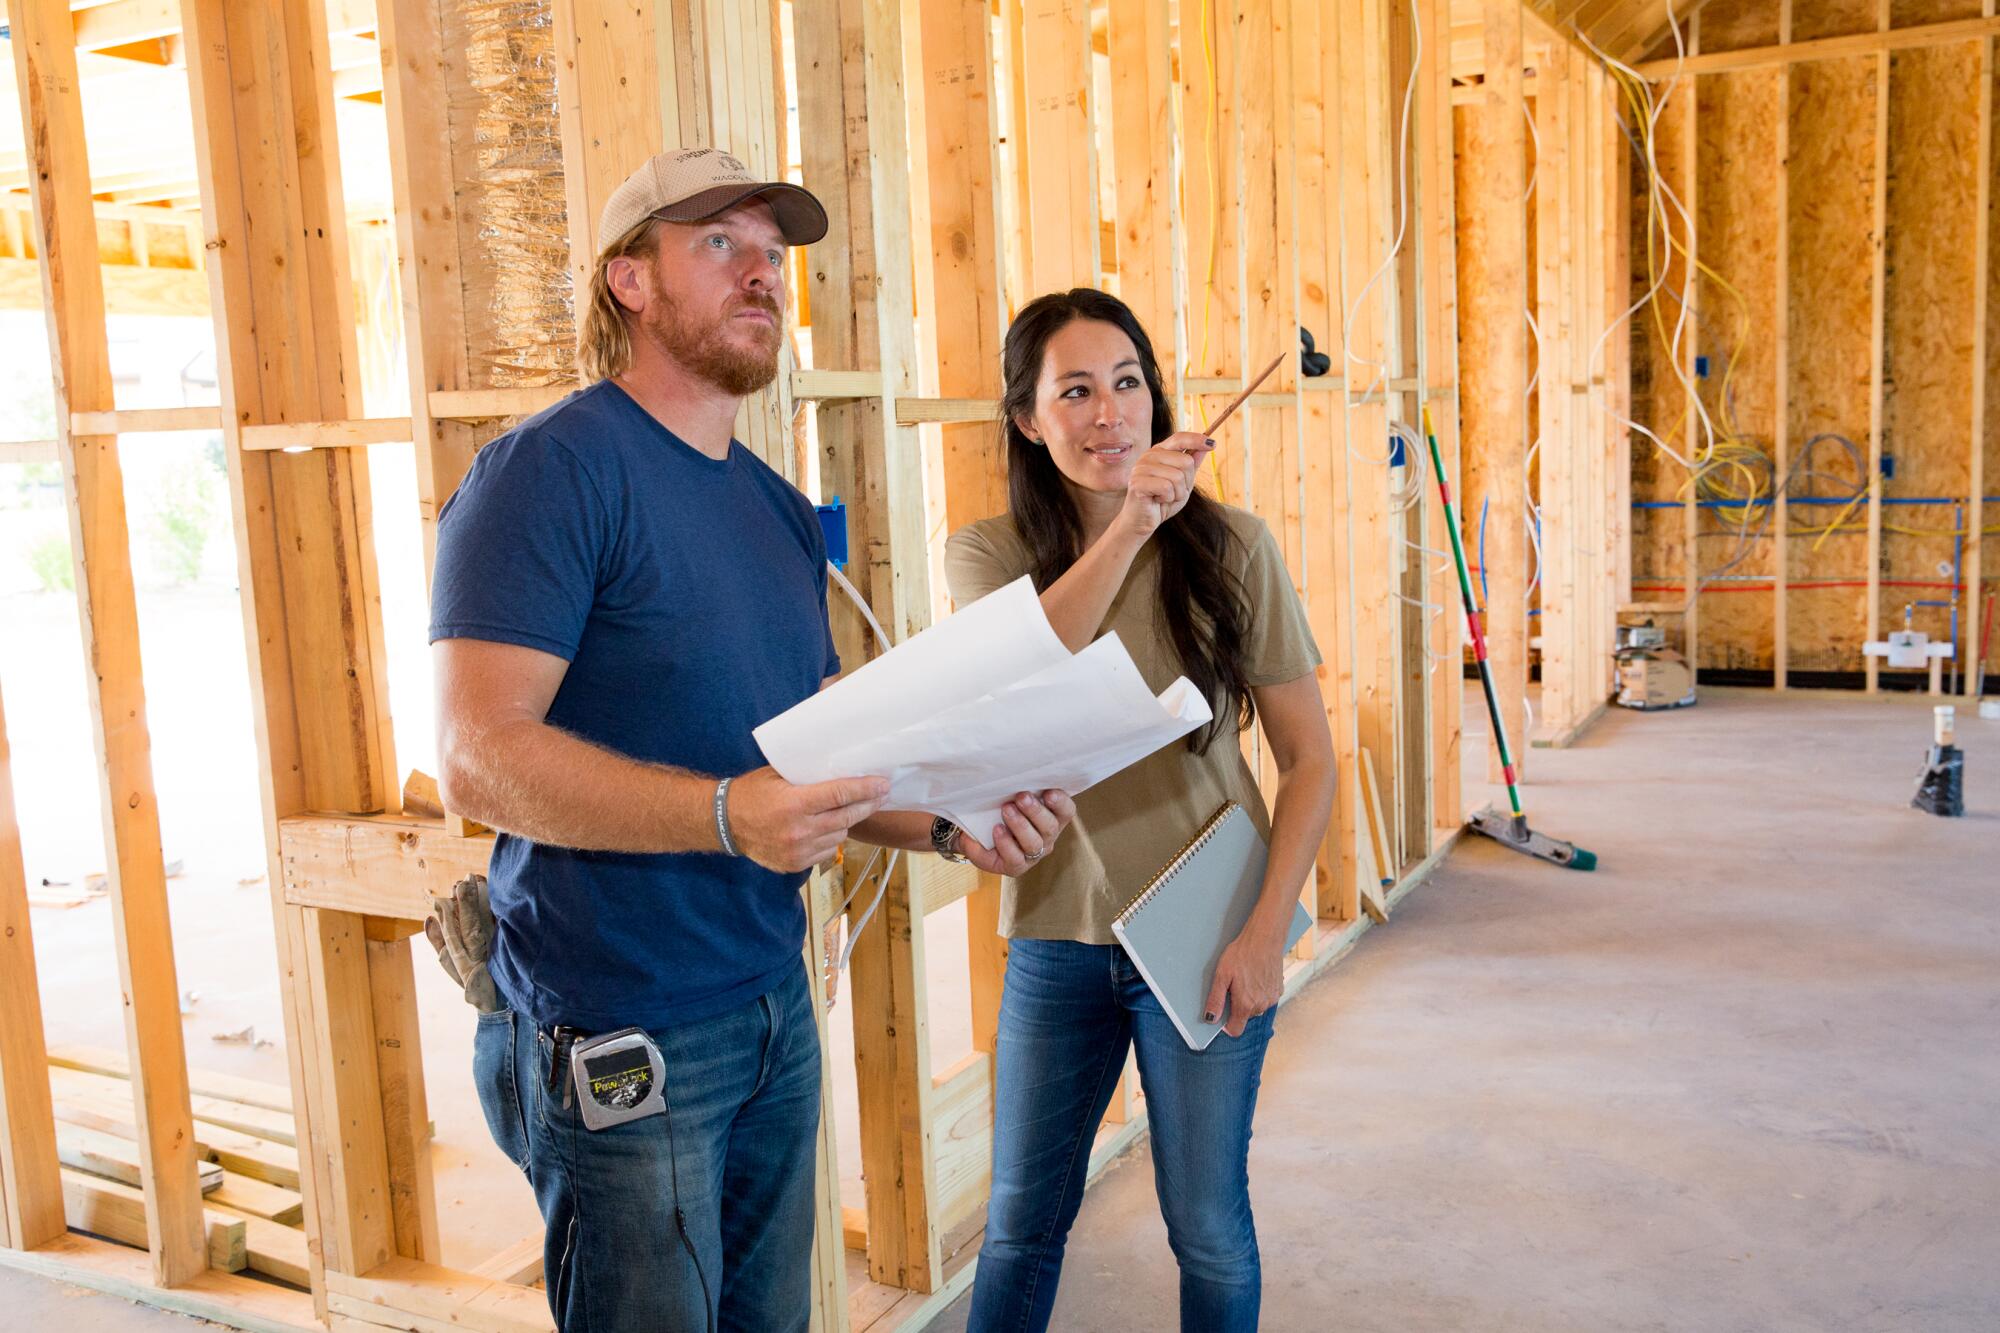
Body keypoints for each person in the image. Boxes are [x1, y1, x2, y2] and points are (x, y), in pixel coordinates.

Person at [428, 147, 1075, 1333]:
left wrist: (947, 824)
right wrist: (724, 813)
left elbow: (815, 763)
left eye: (772, 256)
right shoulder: (551, 475)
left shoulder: (773, 509)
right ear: (630, 282)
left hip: (772, 1006)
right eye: (719, 244)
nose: (762, 276)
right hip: (622, 1021)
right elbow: (478, 754)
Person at [945, 288, 1336, 1332]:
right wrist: (1127, 526)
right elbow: (1027, 676)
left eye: (1128, 382)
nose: (1109, 412)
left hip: (1205, 936)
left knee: (1205, 1225)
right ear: (1027, 418)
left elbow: (1308, 761)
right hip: (1054, 938)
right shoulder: (985, 559)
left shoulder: (1233, 548)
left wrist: (1263, 933)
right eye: (1073, 390)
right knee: (1021, 1223)